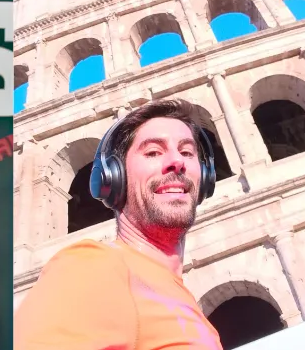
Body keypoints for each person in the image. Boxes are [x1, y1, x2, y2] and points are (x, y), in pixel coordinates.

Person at [14, 99, 224, 350]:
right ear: (114, 178)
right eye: (153, 152)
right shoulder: (93, 266)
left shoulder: (187, 305)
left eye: (187, 152)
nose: (176, 161)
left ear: (206, 177)